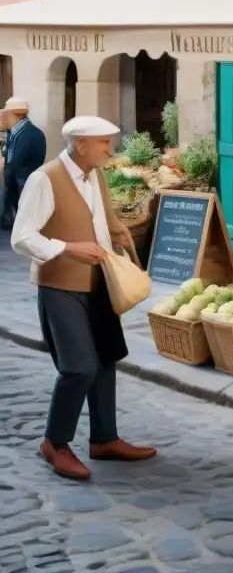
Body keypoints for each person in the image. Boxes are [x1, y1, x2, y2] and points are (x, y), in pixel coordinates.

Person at [11, 115, 157, 481]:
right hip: (60, 287)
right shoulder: (44, 179)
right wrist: (67, 248)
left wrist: (117, 232)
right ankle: (54, 443)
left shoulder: (96, 176)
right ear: (81, 144)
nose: (111, 149)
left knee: (106, 359)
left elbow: (99, 222)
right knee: (79, 367)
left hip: (99, 284)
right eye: (105, 142)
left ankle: (104, 439)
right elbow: (21, 237)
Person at [2, 97, 46, 228]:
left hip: (24, 180)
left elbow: (17, 160)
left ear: (14, 114)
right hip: (16, 179)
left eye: (6, 114)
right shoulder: (15, 131)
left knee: (24, 210)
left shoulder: (31, 134)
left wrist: (8, 171)